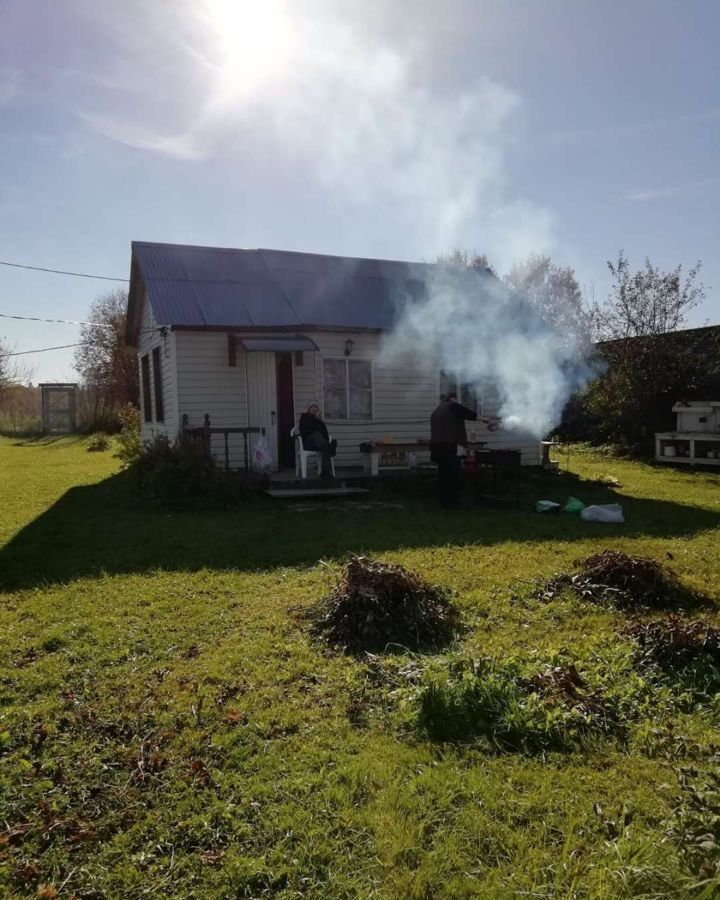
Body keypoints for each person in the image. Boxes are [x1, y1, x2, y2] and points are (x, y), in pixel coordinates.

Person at [430, 391, 478, 506]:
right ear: (452, 399)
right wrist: (485, 419)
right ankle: (453, 502)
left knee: (443, 475)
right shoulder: (452, 406)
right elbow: (470, 414)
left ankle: (444, 500)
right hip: (449, 447)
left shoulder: (436, 411)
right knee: (453, 475)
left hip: (437, 448)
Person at [298, 402, 337, 478]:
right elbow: (305, 430)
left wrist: (318, 421)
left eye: (316, 407)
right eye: (312, 407)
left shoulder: (320, 421)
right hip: (308, 443)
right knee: (316, 434)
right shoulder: (304, 417)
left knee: (325, 448)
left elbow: (325, 434)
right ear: (309, 409)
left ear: (318, 410)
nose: (314, 408)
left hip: (319, 444)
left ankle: (325, 473)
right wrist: (315, 420)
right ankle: (329, 447)